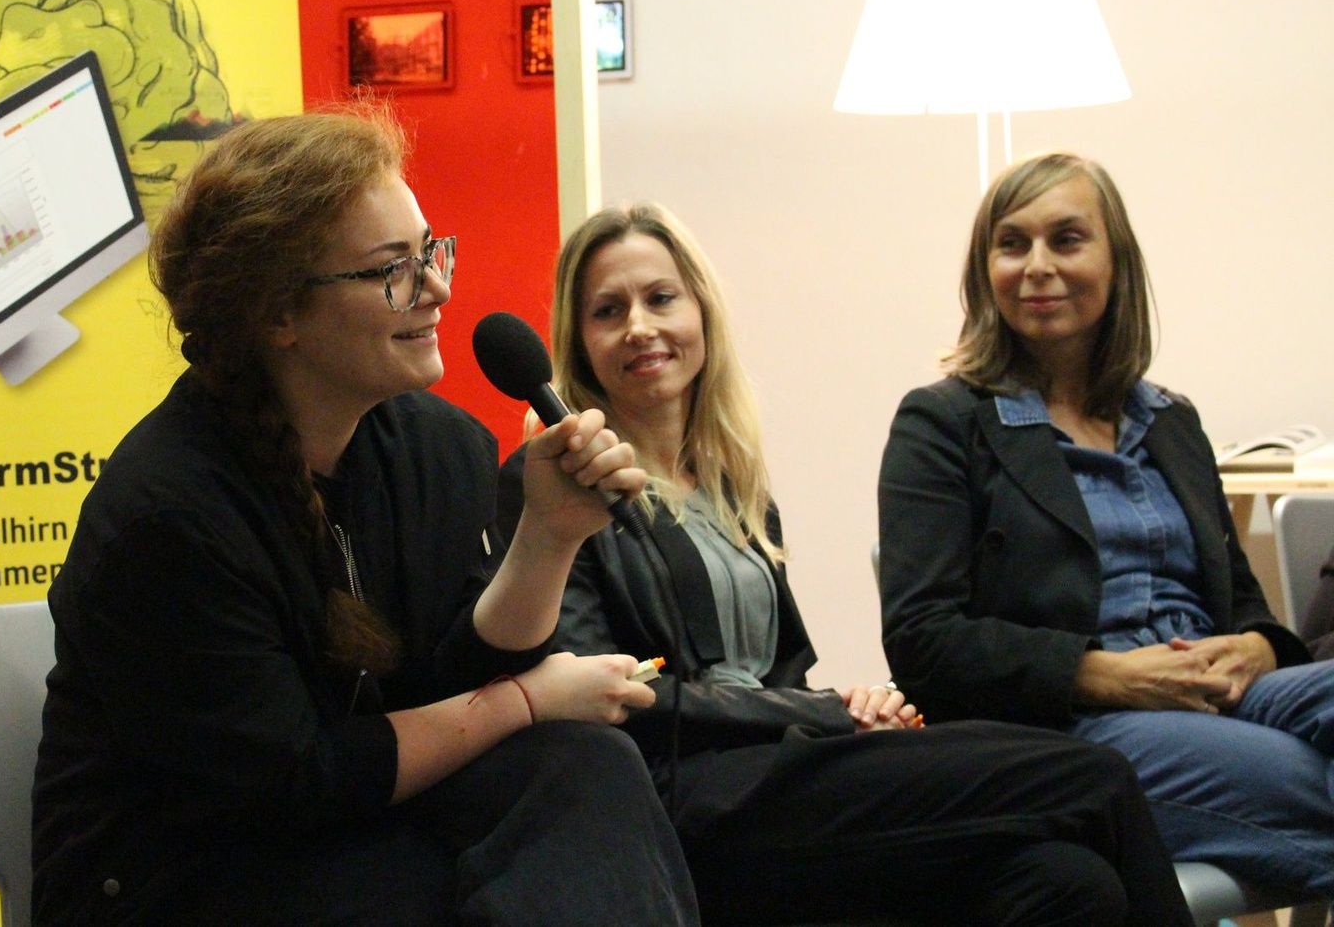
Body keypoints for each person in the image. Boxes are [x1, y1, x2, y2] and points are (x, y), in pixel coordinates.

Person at [31, 109, 700, 925]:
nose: (438, 289)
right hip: (190, 875)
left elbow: (450, 679)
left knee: (585, 763)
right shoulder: (168, 515)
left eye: (431, 252)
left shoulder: (436, 447)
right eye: (393, 271)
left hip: (365, 828)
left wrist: (548, 536)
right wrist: (524, 703)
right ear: (278, 314)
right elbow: (293, 782)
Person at [497, 202, 1194, 926]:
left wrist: (853, 712)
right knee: (1094, 778)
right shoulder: (554, 488)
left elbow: (778, 678)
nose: (640, 326)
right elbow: (612, 696)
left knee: (1068, 884)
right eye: (609, 311)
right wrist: (828, 712)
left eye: (660, 298)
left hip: (780, 777)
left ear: (701, 313)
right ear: (580, 341)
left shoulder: (734, 488)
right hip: (686, 803)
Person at [877, 152, 1334, 899]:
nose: (1037, 266)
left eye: (1066, 239)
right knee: (1296, 779)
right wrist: (1106, 675)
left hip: (1217, 690)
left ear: (1116, 261)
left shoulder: (1171, 420)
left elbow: (1244, 603)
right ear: (984, 271)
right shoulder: (944, 422)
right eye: (1012, 244)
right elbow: (923, 639)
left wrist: (1255, 647)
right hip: (1073, 725)